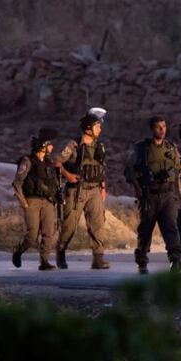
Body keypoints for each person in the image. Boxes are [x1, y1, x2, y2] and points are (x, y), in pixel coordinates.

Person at [124, 116, 181, 274]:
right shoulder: (142, 149)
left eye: (164, 126)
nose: (162, 130)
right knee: (145, 230)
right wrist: (137, 187)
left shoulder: (170, 148)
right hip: (149, 195)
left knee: (171, 228)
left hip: (168, 195)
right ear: (152, 129)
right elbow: (129, 170)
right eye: (158, 127)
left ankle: (175, 261)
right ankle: (142, 263)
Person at [54, 109, 109, 270]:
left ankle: (98, 259)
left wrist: (103, 187)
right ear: (88, 129)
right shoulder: (74, 145)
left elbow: (101, 168)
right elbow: (57, 162)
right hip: (76, 190)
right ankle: (61, 252)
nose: (100, 129)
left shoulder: (99, 146)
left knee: (98, 225)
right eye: (97, 126)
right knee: (69, 225)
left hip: (94, 190)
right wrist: (68, 175)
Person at [11, 129, 60, 271]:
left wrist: (57, 197)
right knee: (32, 235)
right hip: (32, 201)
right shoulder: (27, 161)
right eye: (49, 144)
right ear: (43, 145)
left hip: (48, 202)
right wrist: (23, 202)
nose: (52, 147)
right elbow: (17, 182)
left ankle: (44, 262)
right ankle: (19, 251)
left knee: (48, 233)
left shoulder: (49, 162)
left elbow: (54, 183)